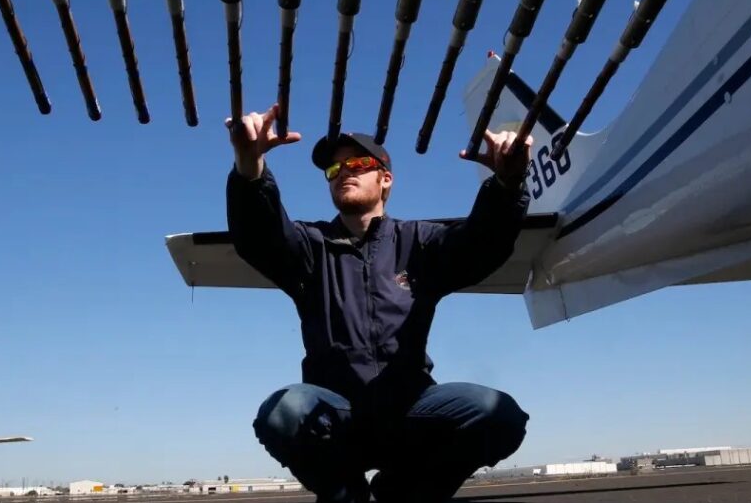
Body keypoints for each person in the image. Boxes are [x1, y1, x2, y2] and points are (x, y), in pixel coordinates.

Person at [224, 103, 533, 503]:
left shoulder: (420, 242)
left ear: (385, 179)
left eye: (357, 162)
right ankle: (344, 492)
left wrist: (508, 186)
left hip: (411, 407)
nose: (343, 171)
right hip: (335, 414)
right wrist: (249, 170)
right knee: (283, 412)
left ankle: (405, 490)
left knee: (499, 415)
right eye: (334, 170)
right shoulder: (309, 248)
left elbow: (481, 247)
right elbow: (259, 237)